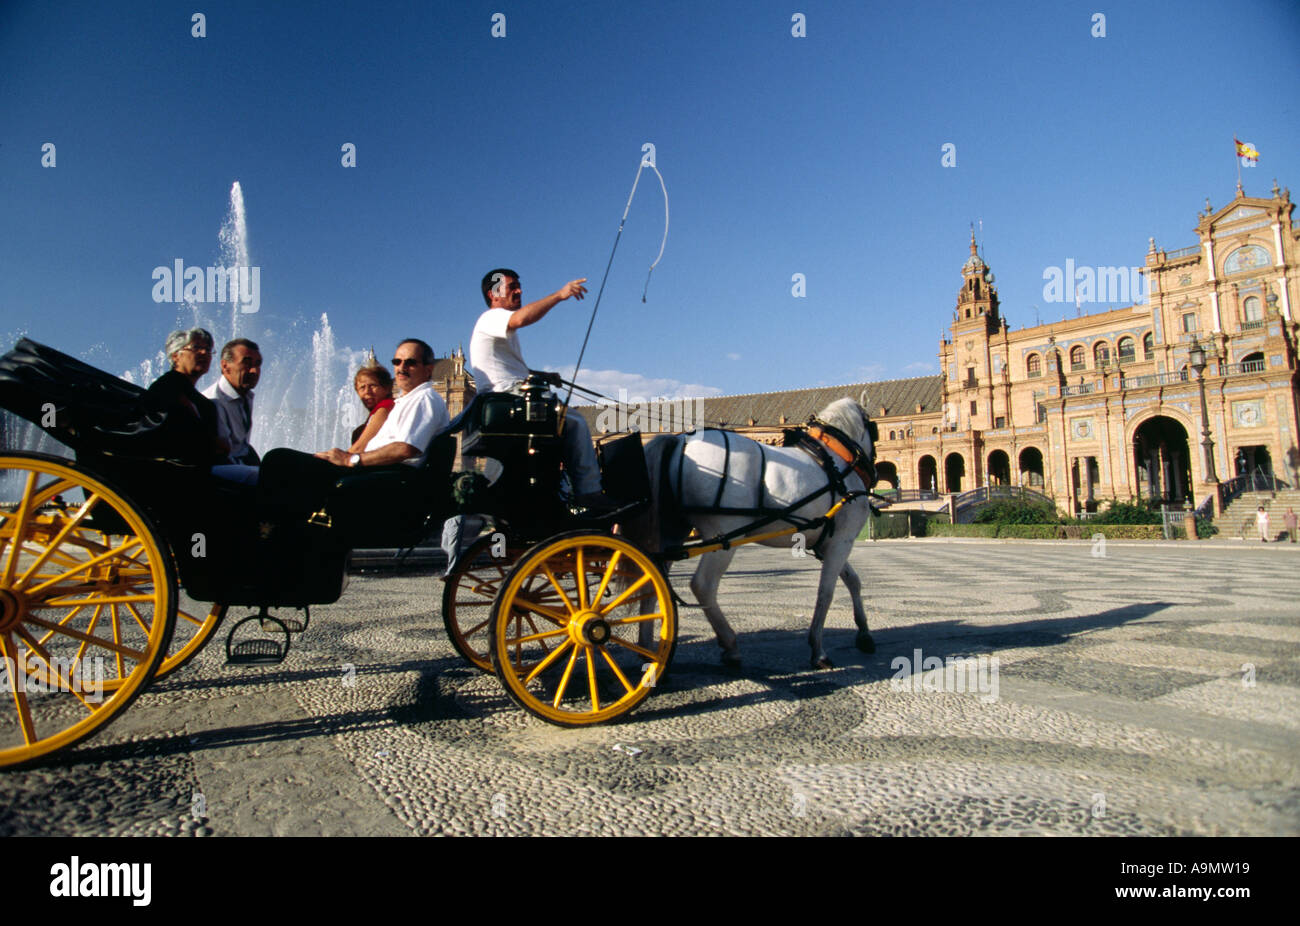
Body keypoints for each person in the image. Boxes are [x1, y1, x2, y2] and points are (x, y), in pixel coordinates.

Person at [467, 268, 612, 510]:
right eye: (512, 286)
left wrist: (541, 376)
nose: (519, 290)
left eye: (518, 286)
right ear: (493, 293)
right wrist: (560, 294)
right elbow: (521, 319)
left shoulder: (497, 328)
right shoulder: (492, 318)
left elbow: (505, 368)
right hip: (509, 400)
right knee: (574, 422)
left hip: (507, 399)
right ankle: (589, 492)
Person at [147, 328, 258, 485]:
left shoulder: (203, 402)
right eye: (196, 348)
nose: (204, 353)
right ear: (175, 356)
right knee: (258, 477)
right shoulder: (167, 388)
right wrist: (212, 443)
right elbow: (164, 432)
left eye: (207, 349)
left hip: (207, 465)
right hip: (185, 470)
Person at [202, 338, 262, 465]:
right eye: (247, 363)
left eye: (258, 364)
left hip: (241, 464)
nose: (254, 371)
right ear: (225, 366)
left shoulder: (246, 396)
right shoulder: (213, 401)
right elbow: (220, 454)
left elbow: (241, 447)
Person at [348, 362, 395, 452]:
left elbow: (359, 448)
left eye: (373, 385)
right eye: (362, 387)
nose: (367, 391)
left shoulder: (386, 406)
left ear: (387, 388)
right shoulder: (376, 412)